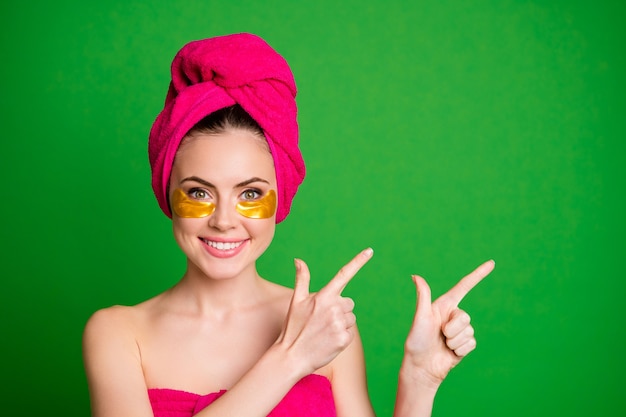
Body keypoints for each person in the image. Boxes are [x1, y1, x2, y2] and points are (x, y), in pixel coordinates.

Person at [82, 33, 495, 417]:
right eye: (199, 192)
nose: (224, 221)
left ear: (281, 197)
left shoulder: (325, 324)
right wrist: (292, 358)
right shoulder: (117, 333)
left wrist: (420, 380)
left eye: (250, 194)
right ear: (167, 192)